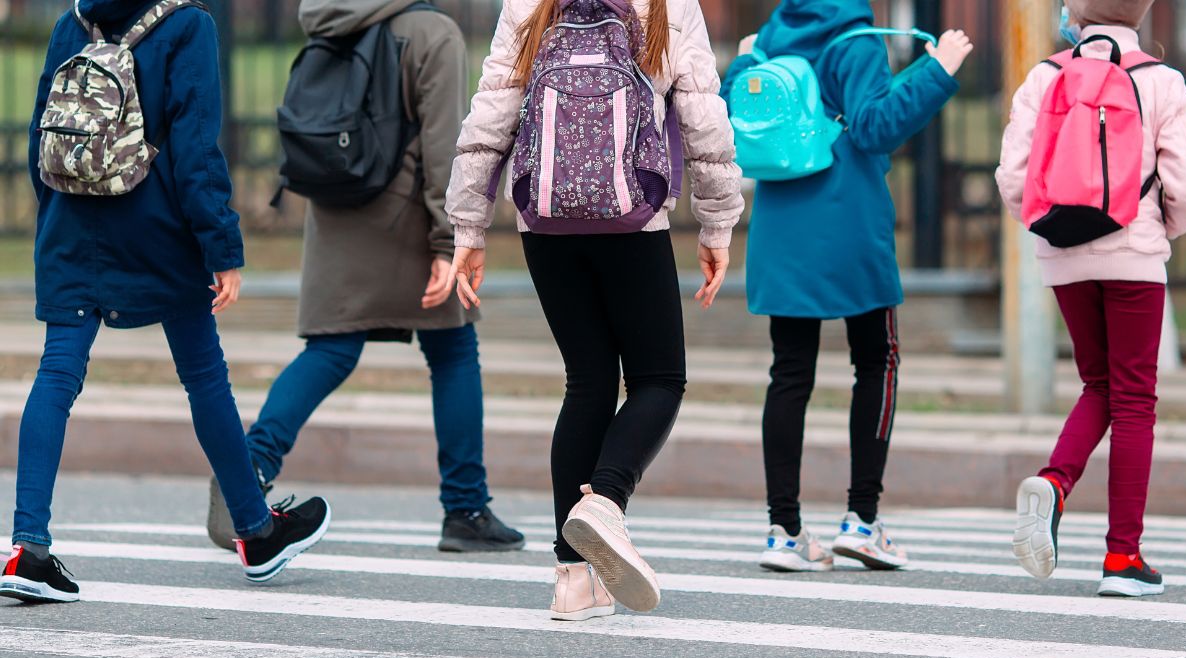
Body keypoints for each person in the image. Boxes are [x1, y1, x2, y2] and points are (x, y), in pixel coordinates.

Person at [1, 0, 330, 604]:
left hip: (71, 230)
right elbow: (195, 148)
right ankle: (255, 532)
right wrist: (221, 247)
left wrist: (54, 227)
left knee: (56, 375)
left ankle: (29, 548)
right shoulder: (187, 25)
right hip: (158, 231)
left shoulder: (71, 24)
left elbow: (36, 141)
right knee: (204, 376)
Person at [446, 0, 743, 618]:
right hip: (632, 219)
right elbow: (702, 116)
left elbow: (492, 111)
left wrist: (469, 226)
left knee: (587, 384)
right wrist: (717, 223)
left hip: (546, 223)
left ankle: (573, 582)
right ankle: (604, 500)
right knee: (660, 378)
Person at [204, 0, 525, 555]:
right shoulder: (431, 32)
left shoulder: (326, 19)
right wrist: (448, 241)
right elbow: (444, 142)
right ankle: (465, 509)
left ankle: (249, 468)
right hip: (408, 215)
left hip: (336, 215)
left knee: (330, 350)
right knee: (452, 350)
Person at [721, 0, 972, 573]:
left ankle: (783, 532)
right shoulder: (857, 40)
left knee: (789, 374)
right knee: (877, 361)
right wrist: (939, 70)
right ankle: (862, 522)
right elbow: (875, 126)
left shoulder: (765, 43)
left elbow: (734, 113)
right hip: (849, 222)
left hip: (782, 230)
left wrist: (740, 66)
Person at [997, 0, 1186, 597]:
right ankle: (1123, 558)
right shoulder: (1164, 83)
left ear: (1075, 14)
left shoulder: (1044, 76)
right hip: (1134, 251)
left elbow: (1013, 174)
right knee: (1134, 399)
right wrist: (1162, 228)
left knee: (1099, 384)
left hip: (1063, 253)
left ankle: (1056, 482)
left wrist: (1052, 226)